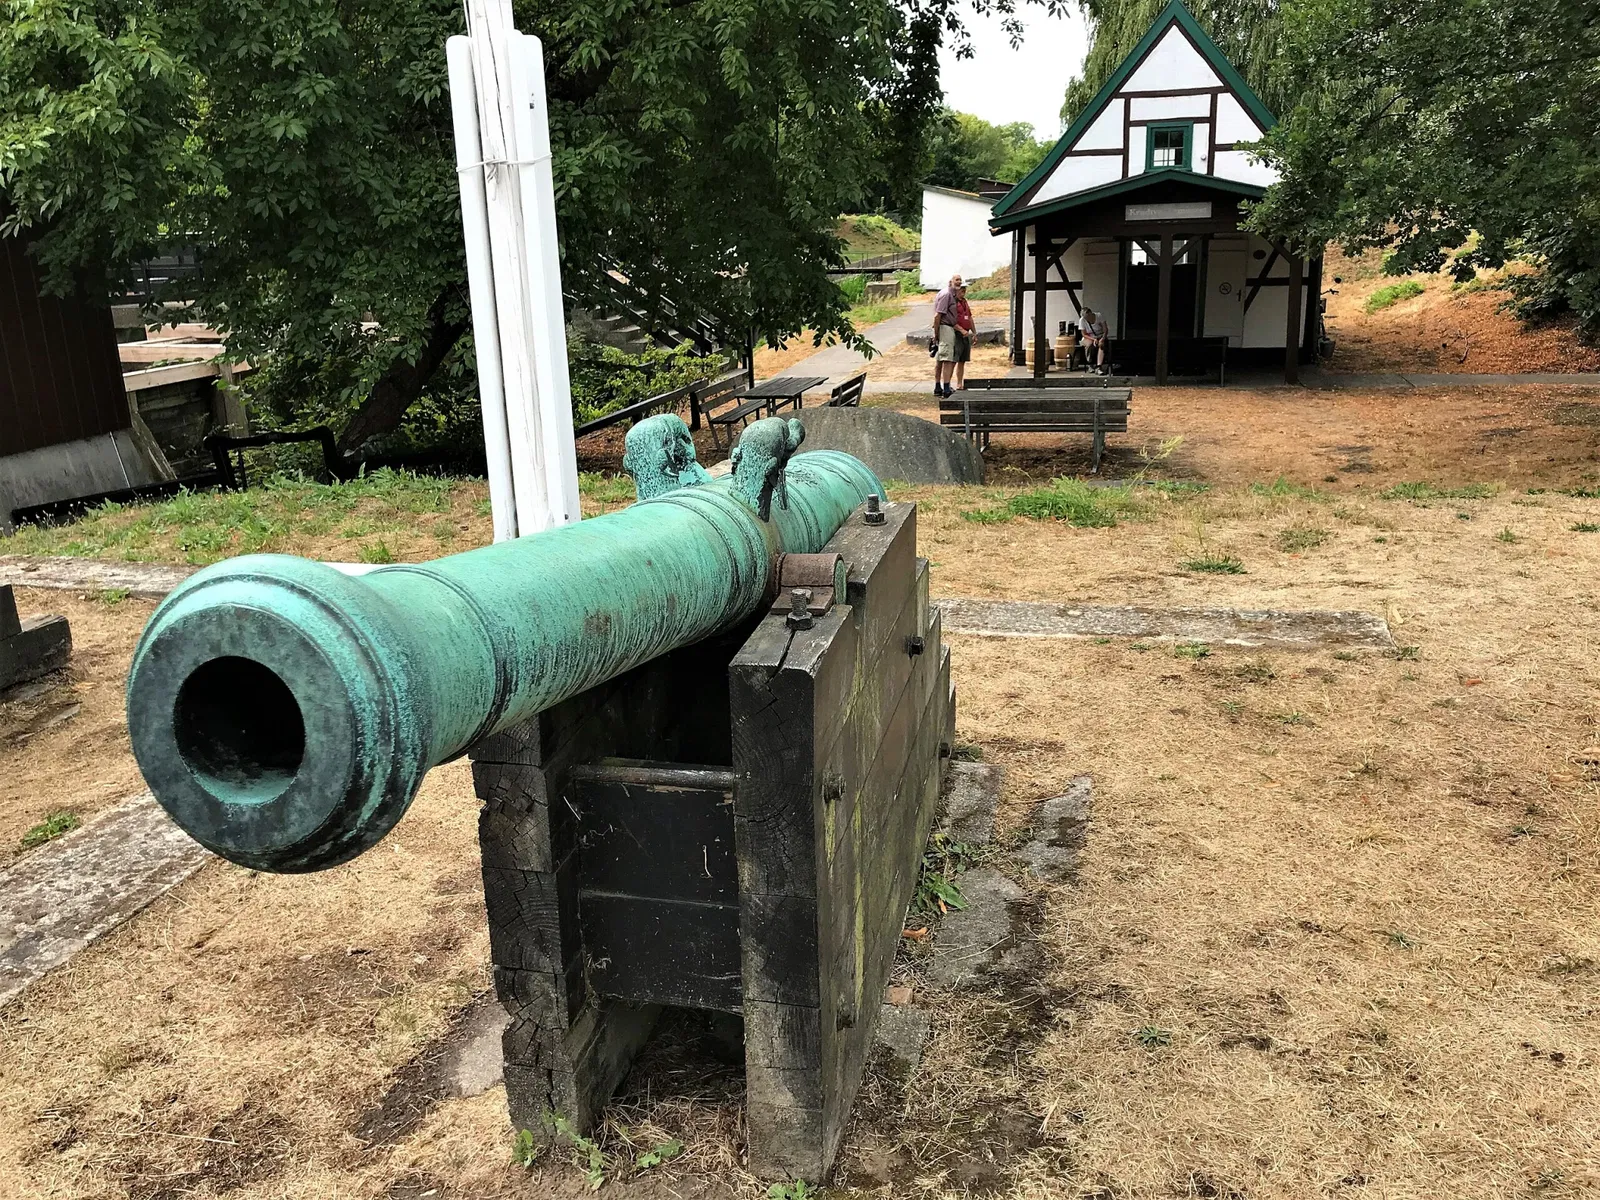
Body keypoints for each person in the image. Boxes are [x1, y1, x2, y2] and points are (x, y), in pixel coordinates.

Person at [932, 274, 962, 397]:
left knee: (940, 359)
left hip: (945, 328)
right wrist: (937, 334)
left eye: (960, 280)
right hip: (945, 328)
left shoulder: (951, 295)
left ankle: (938, 387)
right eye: (956, 280)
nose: (959, 282)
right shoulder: (946, 295)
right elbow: (937, 316)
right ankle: (946, 388)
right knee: (947, 359)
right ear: (950, 282)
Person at [951, 280, 976, 391]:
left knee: (962, 360)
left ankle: (959, 384)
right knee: (953, 360)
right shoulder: (953, 302)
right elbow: (951, 320)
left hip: (966, 333)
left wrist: (974, 332)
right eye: (961, 289)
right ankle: (947, 384)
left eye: (964, 290)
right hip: (957, 334)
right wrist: (961, 330)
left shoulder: (965, 302)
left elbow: (969, 317)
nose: (963, 291)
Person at [1081, 307, 1109, 373]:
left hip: (1100, 335)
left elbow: (1105, 329)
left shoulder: (1099, 316)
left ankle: (1099, 366)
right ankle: (1089, 364)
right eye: (1085, 318)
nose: (1087, 319)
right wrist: (1093, 339)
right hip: (1089, 336)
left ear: (1091, 313)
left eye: (1088, 317)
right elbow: (1084, 334)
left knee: (1101, 345)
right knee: (1089, 344)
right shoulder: (1082, 320)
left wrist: (1102, 338)